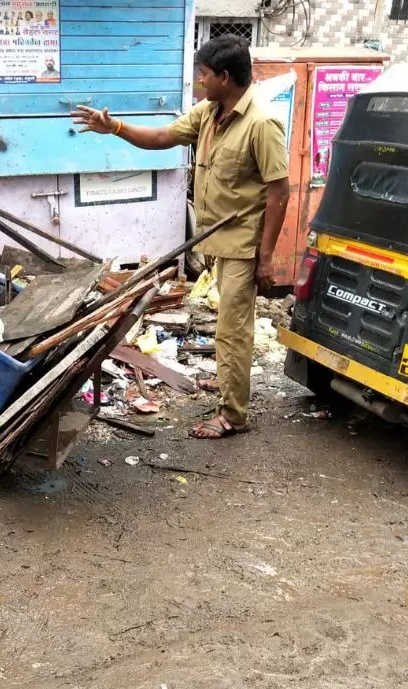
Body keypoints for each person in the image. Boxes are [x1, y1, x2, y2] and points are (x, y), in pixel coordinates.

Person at [72, 34, 288, 439]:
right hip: (216, 239)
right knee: (229, 322)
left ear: (224, 76)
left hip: (242, 244)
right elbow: (162, 138)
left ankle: (233, 416)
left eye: (203, 75)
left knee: (233, 328)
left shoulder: (262, 123)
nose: (197, 81)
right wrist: (114, 127)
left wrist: (267, 256)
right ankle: (228, 382)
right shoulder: (210, 111)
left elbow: (280, 191)